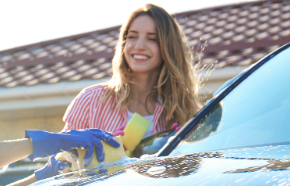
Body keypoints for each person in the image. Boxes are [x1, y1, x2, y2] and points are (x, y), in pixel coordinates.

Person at [62, 4, 200, 139]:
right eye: (132, 36)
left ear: (169, 48)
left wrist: (182, 150)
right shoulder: (91, 100)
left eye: (152, 39)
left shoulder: (186, 111)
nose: (139, 46)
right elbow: (61, 159)